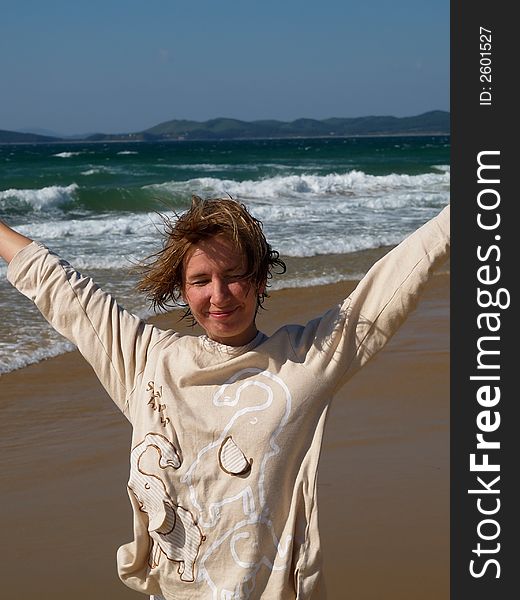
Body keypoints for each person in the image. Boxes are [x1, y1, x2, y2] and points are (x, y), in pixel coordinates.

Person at [0, 196, 450, 600]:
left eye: (234, 276)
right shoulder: (146, 361)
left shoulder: (303, 359)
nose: (219, 295)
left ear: (259, 281)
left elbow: (396, 277)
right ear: (181, 287)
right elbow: (60, 286)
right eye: (201, 280)